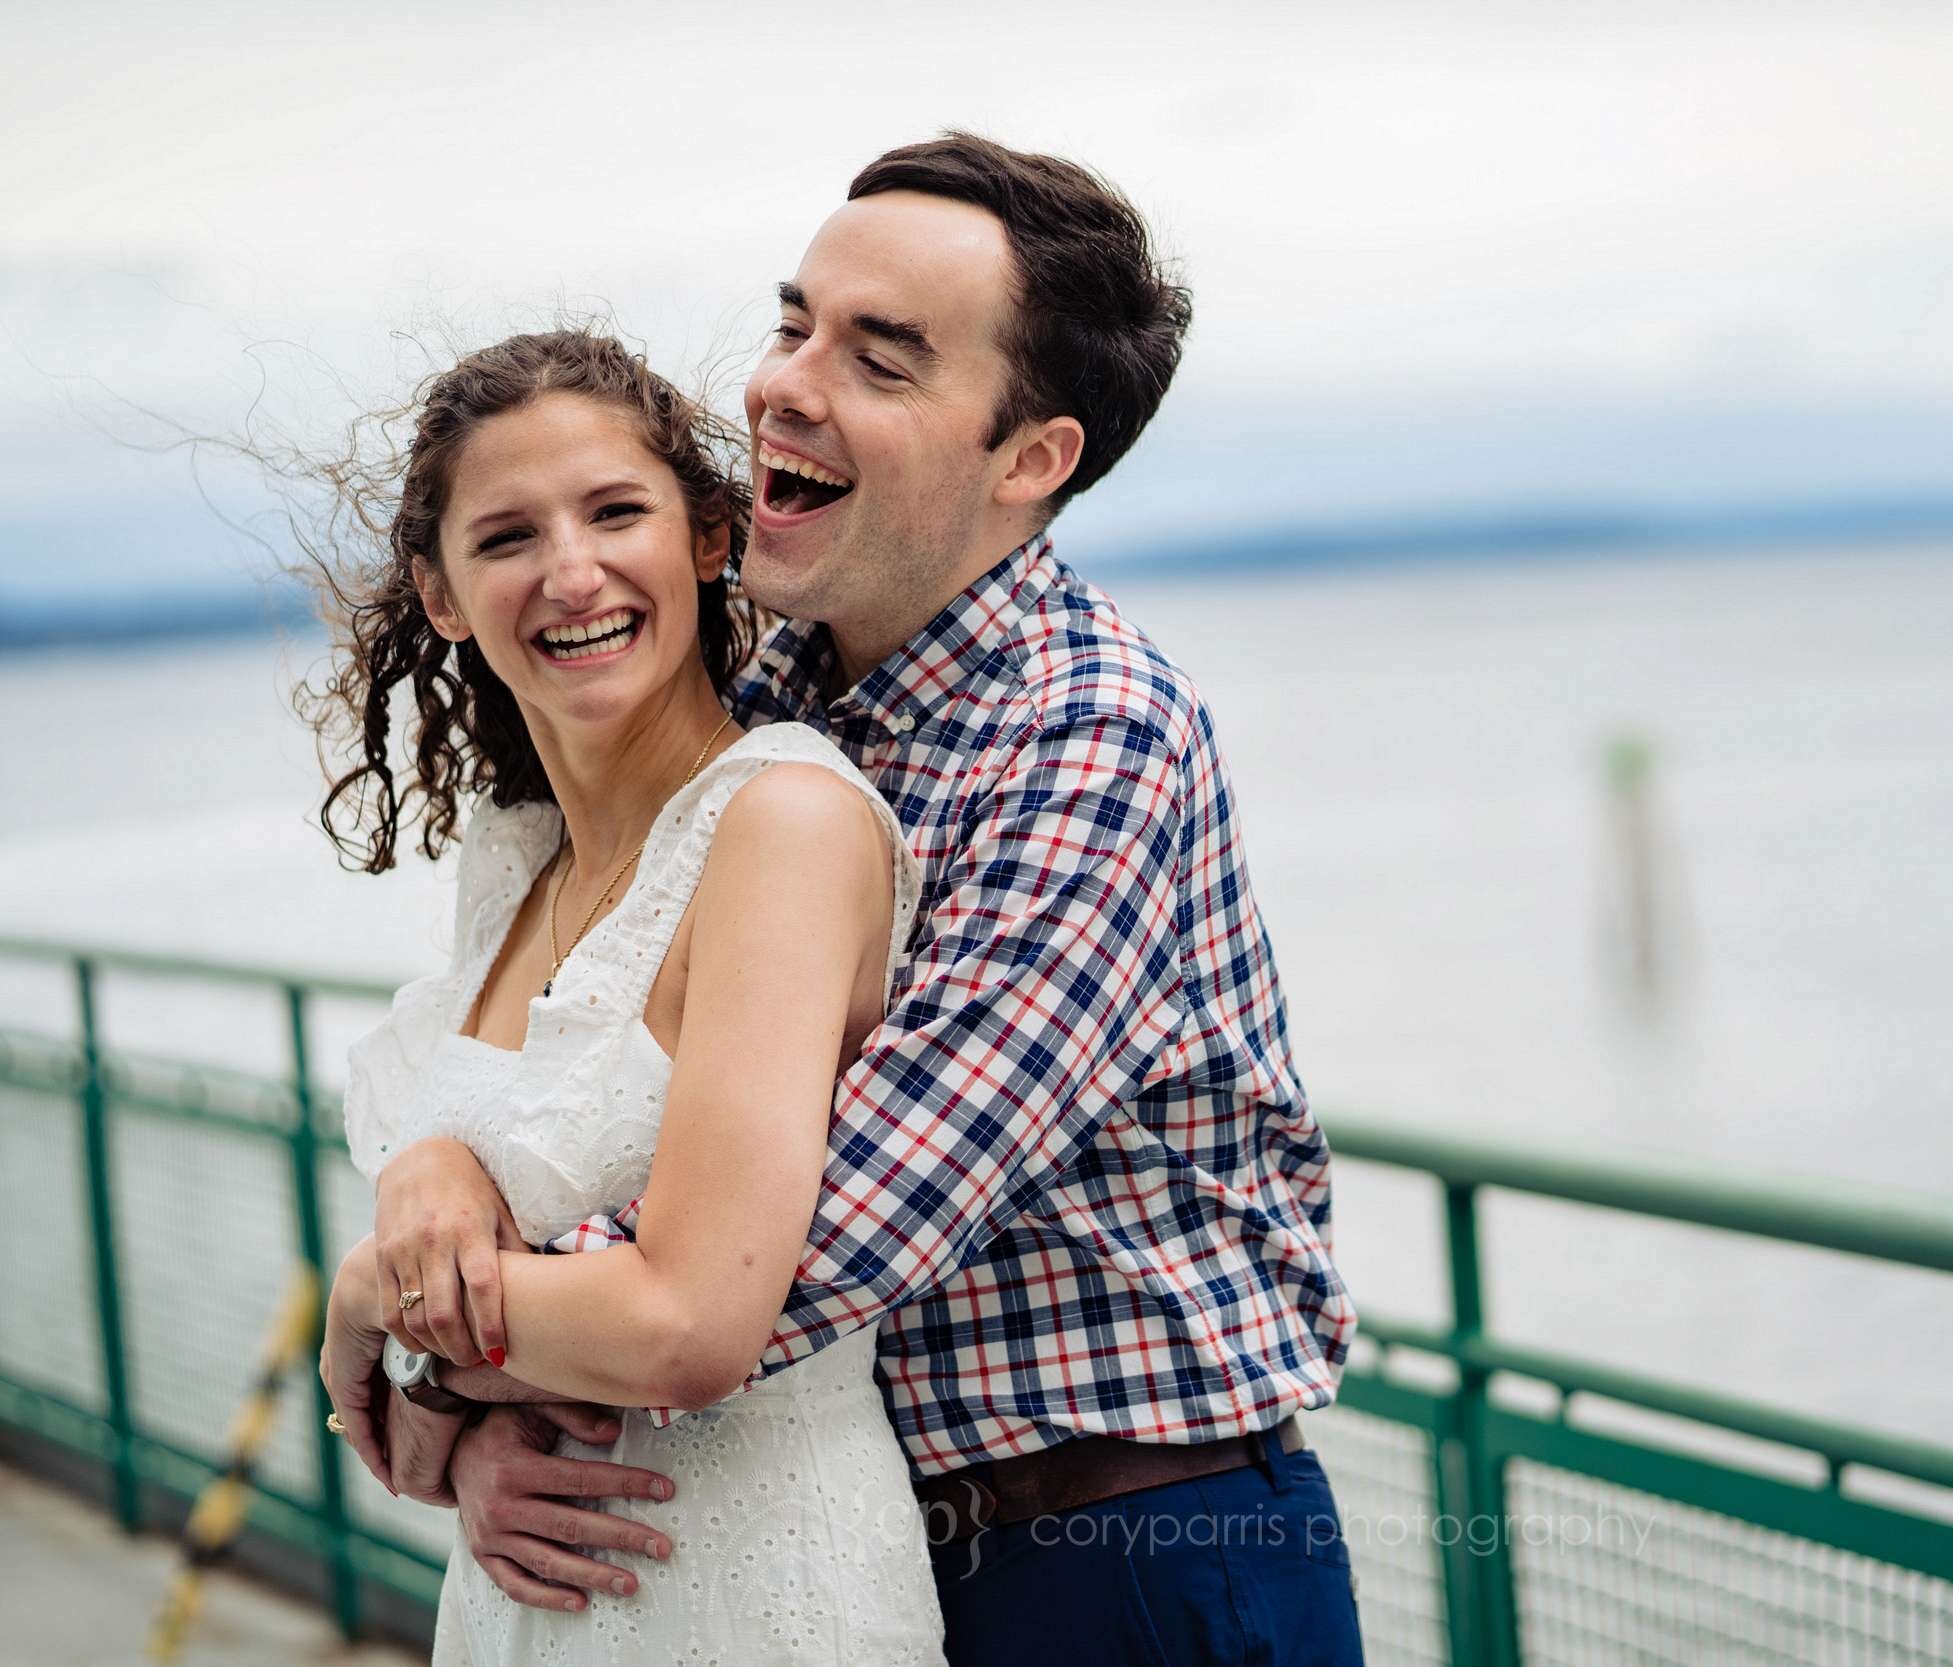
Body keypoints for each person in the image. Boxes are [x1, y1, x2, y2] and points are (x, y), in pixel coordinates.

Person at [335, 134, 1362, 1666]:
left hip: (1123, 1555)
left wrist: (413, 1329)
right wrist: (453, 1236)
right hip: (834, 1537)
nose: (786, 388)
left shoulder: (1091, 735)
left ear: (1030, 462)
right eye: (795, 321)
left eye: (880, 359)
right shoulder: (756, 697)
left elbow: (821, 1240)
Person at [310, 329, 947, 1664]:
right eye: (507, 537)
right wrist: (435, 1204)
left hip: (754, 1589)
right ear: (439, 594)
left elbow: (689, 1325)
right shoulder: (519, 860)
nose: (573, 571)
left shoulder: (783, 821)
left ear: (711, 536)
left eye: (615, 512)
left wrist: (376, 1293)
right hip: (524, 1599)